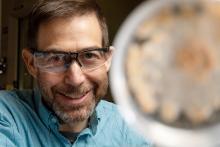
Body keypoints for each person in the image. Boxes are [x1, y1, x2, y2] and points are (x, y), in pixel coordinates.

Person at [0, 0, 152, 146]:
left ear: (107, 60)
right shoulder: (6, 114)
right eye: (56, 58)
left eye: (89, 55)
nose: (75, 79)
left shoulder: (132, 126)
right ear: (31, 63)